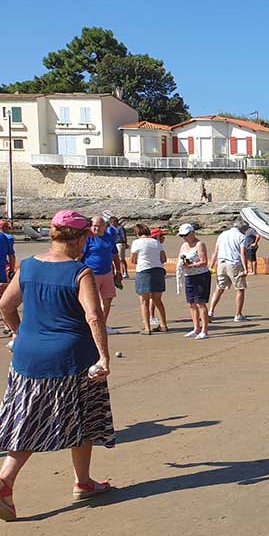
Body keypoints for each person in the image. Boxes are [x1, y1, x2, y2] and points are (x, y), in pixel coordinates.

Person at [0, 210, 116, 521]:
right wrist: (103, 356)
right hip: (71, 359)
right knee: (79, 419)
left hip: (26, 358)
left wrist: (18, 333)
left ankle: (75, 481)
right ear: (78, 239)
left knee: (30, 419)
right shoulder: (80, 272)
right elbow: (94, 316)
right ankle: (13, 481)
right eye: (85, 240)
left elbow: (5, 305)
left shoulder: (28, 266)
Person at [82, 216, 123, 335]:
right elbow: (80, 256)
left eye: (98, 226)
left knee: (107, 300)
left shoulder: (109, 237)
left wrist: (118, 272)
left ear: (104, 227)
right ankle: (90, 326)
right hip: (91, 273)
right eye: (93, 225)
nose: (95, 228)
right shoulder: (88, 238)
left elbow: (115, 255)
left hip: (107, 273)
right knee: (91, 302)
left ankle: (102, 325)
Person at [130, 225, 168, 334]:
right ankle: (163, 324)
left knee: (144, 301)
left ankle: (147, 327)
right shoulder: (156, 242)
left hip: (144, 271)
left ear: (137, 233)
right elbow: (163, 259)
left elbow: (133, 260)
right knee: (157, 300)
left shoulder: (137, 243)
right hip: (157, 271)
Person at [209, 220, 249, 323]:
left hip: (221, 264)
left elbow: (216, 252)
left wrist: (211, 266)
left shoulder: (222, 235)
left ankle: (211, 312)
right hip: (234, 264)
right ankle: (238, 315)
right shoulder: (241, 237)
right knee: (240, 289)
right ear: (242, 228)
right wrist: (245, 268)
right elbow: (242, 253)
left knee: (219, 288)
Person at [177, 223, 211, 339]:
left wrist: (191, 266)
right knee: (191, 303)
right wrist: (182, 264)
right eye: (182, 236)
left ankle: (204, 330)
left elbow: (204, 262)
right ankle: (196, 328)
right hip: (189, 276)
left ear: (192, 233)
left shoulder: (200, 244)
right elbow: (180, 259)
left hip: (201, 276)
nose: (184, 237)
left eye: (186, 235)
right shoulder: (184, 245)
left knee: (200, 303)